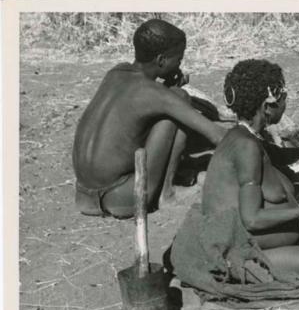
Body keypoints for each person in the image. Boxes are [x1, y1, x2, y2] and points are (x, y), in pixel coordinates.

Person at [170, 59, 299, 286]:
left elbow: (275, 155)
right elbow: (252, 220)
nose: (286, 101)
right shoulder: (246, 147)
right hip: (250, 254)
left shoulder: (247, 135)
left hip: (277, 243)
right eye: (283, 96)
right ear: (268, 105)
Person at [72, 19, 226, 219]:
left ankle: (173, 178)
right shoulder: (155, 94)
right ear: (161, 60)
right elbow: (216, 135)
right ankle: (167, 193)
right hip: (126, 198)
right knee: (181, 99)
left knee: (171, 102)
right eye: (178, 59)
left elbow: (139, 104)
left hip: (84, 197)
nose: (180, 63)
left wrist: (167, 88)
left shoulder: (116, 73)